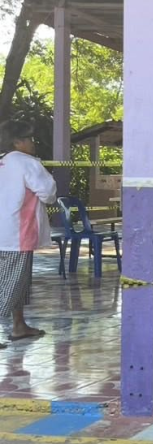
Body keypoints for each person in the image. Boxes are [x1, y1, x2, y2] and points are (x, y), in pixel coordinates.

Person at [0, 121, 57, 347]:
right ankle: (16, 324)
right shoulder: (27, 163)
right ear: (17, 142)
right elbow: (48, 192)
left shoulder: (2, 161)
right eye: (29, 139)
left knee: (18, 282)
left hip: (4, 230)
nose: (33, 143)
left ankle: (19, 325)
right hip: (18, 232)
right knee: (12, 283)